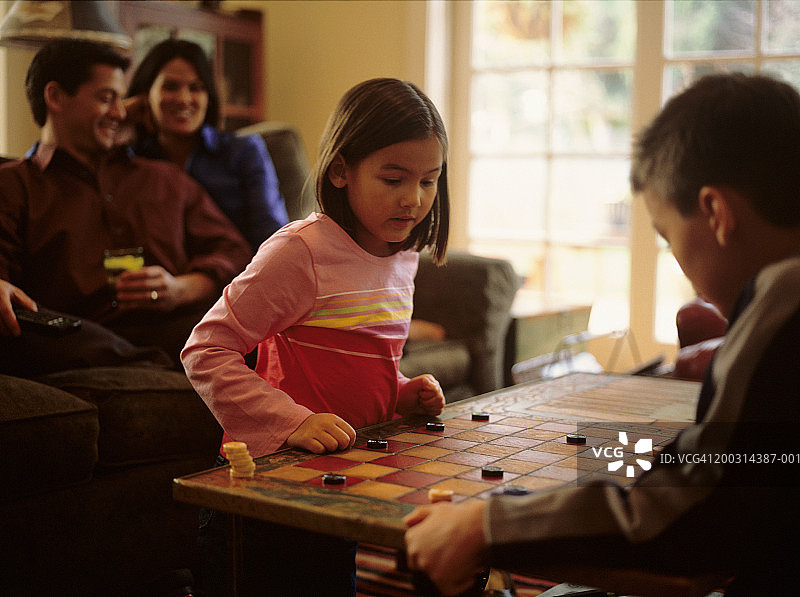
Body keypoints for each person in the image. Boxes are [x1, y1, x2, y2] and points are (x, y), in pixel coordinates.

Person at [404, 72, 800, 597]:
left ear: (715, 213)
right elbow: (753, 461)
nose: (679, 263)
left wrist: (484, 525)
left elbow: (689, 520)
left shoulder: (782, 297)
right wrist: (629, 455)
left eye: (666, 237)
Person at [181, 77, 450, 596]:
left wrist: (398, 390)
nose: (413, 199)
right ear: (341, 170)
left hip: (336, 480)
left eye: (429, 181)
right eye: (393, 178)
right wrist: (294, 423)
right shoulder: (300, 252)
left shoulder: (404, 257)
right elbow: (205, 350)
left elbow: (345, 357)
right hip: (265, 488)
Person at [0, 39, 252, 374]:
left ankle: (153, 365)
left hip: (173, 326)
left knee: (255, 337)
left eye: (122, 100)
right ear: (56, 97)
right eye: (107, 98)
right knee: (40, 331)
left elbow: (237, 256)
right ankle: (158, 368)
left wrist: (180, 288)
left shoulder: (164, 179)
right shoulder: (13, 185)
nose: (120, 112)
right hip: (73, 336)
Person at [126, 39, 289, 252]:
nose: (184, 99)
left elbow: (272, 239)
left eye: (196, 88)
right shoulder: (132, 159)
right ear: (145, 94)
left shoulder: (244, 152)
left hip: (239, 275)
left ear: (209, 97)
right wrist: (121, 116)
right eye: (170, 86)